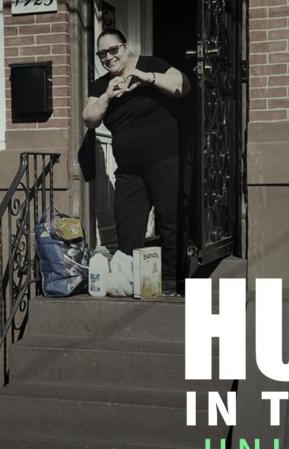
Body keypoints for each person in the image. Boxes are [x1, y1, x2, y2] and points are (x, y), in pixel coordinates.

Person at [82, 28, 189, 294]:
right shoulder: (100, 85)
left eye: (113, 50)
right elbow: (89, 118)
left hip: (166, 159)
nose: (108, 57)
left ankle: (173, 283)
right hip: (129, 169)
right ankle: (130, 283)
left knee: (170, 221)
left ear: (126, 48)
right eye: (102, 54)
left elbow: (181, 85)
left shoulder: (150, 64)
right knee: (128, 223)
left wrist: (147, 78)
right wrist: (107, 95)